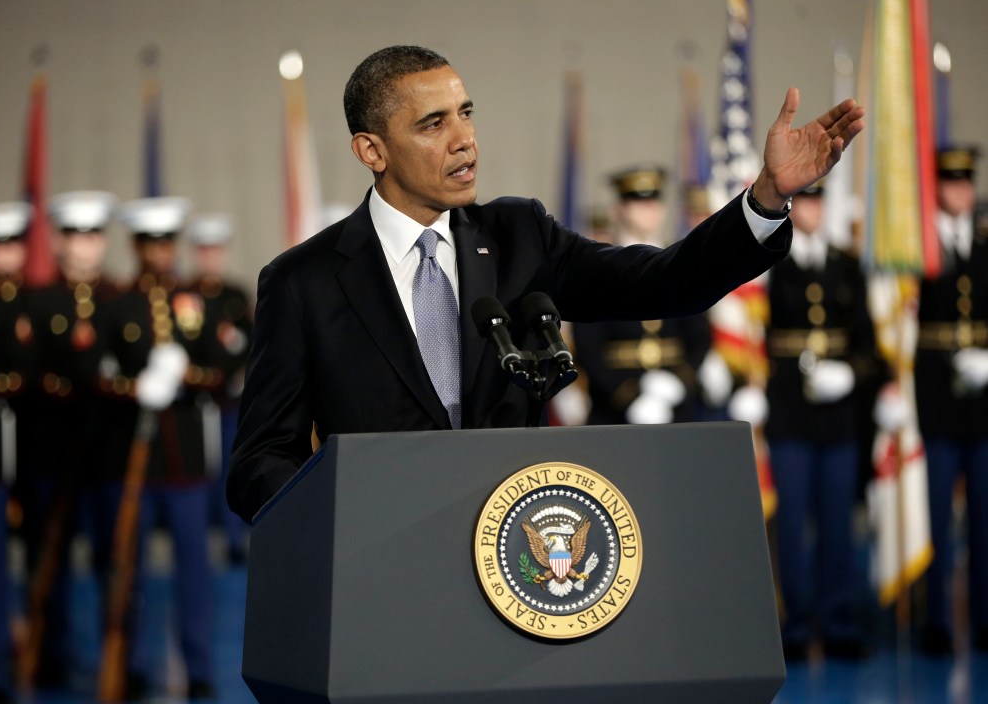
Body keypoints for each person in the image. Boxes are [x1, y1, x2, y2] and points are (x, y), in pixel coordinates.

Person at [227, 44, 865, 524]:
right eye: (433, 124)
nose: (465, 140)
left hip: (523, 557)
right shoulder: (302, 282)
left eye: (467, 113)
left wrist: (766, 197)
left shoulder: (519, 236)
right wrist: (334, 528)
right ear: (371, 151)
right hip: (378, 573)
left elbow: (664, 282)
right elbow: (261, 460)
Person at [97, 197, 224, 699]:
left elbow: (225, 372)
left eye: (167, 241)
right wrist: (136, 386)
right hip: (130, 461)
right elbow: (98, 376)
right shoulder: (116, 305)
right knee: (126, 571)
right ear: (135, 246)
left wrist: (186, 377)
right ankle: (126, 664)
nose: (160, 251)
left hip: (184, 463)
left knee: (195, 572)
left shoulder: (198, 302)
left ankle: (198, 667)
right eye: (151, 242)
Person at [762, 180, 883, 661]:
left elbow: (869, 347)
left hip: (839, 416)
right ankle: (792, 626)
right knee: (791, 523)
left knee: (838, 521)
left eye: (818, 201)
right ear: (793, 209)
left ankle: (838, 622)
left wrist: (850, 373)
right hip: (789, 409)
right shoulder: (770, 266)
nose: (811, 209)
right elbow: (758, 333)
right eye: (804, 201)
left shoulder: (848, 267)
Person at [20, 191, 119, 690]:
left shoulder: (121, 301)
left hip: (108, 457)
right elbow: (30, 377)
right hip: (51, 454)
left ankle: (116, 662)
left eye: (94, 234)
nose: (85, 246)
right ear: (58, 242)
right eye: (76, 235)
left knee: (114, 559)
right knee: (51, 559)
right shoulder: (37, 303)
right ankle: (51, 655)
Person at [915, 146, 988, 656]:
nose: (959, 192)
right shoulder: (916, 251)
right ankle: (936, 620)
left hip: (983, 408)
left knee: (984, 518)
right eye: (950, 183)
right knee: (936, 516)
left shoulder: (985, 249)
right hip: (935, 402)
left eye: (966, 183)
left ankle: (984, 619)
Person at [573, 167, 712, 425]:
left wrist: (680, 380)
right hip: (615, 410)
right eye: (637, 202)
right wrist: (629, 396)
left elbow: (700, 336)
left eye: (654, 202)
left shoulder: (683, 262)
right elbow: (588, 348)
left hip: (677, 406)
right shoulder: (596, 264)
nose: (648, 210)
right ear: (618, 210)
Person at [187, 213, 252, 565]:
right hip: (196, 399)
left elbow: (250, 341)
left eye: (216, 250)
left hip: (230, 399)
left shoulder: (235, 295)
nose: (210, 258)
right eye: (204, 251)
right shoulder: (186, 296)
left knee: (231, 465)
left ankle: (232, 537)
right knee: (201, 469)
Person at [0, 201, 33, 704]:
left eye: (11, 242)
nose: (6, 253)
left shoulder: (36, 302)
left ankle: (8, 663)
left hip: (35, 453)